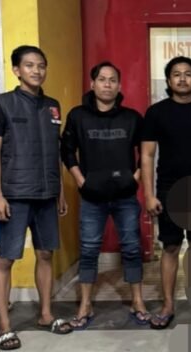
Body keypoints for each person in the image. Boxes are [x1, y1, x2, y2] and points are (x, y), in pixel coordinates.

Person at [0, 45, 73, 350]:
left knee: (46, 254)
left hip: (47, 194)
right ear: (16, 70)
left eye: (41, 65)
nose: (37, 70)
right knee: (6, 258)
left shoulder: (53, 106)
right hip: (15, 194)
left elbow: (55, 152)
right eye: (30, 65)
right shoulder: (2, 104)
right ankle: (4, 327)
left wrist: (60, 191)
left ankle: (46, 314)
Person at [60, 61, 147, 329]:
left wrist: (135, 177)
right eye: (102, 79)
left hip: (125, 197)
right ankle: (85, 304)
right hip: (92, 197)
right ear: (93, 84)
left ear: (119, 85)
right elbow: (67, 150)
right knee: (88, 250)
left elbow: (146, 152)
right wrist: (81, 181)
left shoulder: (132, 118)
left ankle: (137, 301)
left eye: (112, 80)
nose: (107, 84)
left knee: (132, 248)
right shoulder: (78, 116)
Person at [141, 56, 191, 329]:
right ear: (169, 80)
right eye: (176, 74)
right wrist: (149, 195)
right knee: (171, 247)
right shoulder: (156, 112)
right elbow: (147, 155)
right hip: (169, 190)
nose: (182, 78)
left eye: (188, 74)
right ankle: (168, 305)